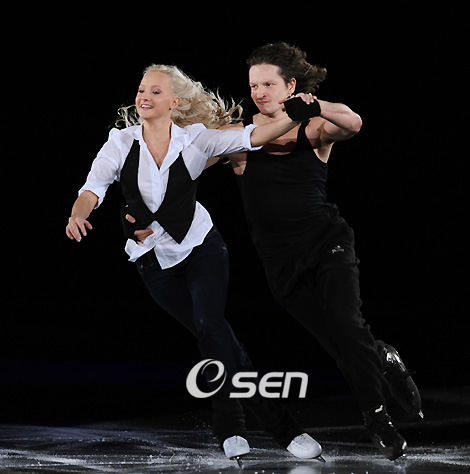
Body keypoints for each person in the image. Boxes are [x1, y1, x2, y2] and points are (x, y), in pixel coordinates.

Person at [126, 45, 422, 461]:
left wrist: (315, 105)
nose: (259, 92)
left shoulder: (313, 127)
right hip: (279, 263)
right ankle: (384, 358)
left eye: (268, 84)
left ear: (290, 85)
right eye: (253, 86)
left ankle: (377, 420)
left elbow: (353, 122)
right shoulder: (240, 138)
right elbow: (182, 171)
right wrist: (143, 213)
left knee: (347, 325)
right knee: (338, 342)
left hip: (327, 244)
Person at [65, 64, 324, 462]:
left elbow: (253, 136)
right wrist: (78, 214)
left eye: (155, 91)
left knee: (210, 325)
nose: (144, 97)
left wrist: (295, 116)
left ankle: (233, 428)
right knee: (220, 340)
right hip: (154, 263)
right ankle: (285, 429)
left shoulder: (197, 140)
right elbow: (92, 189)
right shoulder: (120, 142)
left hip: (202, 247)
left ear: (175, 102)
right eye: (142, 89)